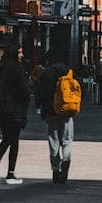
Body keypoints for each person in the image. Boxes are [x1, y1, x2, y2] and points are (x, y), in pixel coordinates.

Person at [35, 44, 80, 184]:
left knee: (53, 140)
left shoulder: (46, 72)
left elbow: (40, 92)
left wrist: (39, 106)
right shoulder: (69, 71)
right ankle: (66, 161)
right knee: (67, 140)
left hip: (50, 110)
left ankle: (55, 169)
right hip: (66, 109)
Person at [0, 44, 29, 184]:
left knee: (6, 137)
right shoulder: (18, 68)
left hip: (1, 108)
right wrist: (25, 102)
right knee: (14, 140)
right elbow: (24, 89)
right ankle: (10, 173)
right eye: (20, 52)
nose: (22, 55)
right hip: (15, 108)